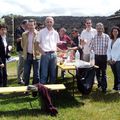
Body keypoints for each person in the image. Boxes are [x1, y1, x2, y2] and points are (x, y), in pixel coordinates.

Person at [36, 16, 60, 84]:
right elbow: (36, 44)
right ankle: (43, 91)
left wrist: (58, 51)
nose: (49, 23)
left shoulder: (55, 33)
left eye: (51, 22)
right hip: (45, 54)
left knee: (53, 73)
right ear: (45, 23)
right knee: (44, 73)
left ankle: (51, 91)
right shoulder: (41, 32)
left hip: (53, 55)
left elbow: (56, 44)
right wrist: (42, 52)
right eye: (48, 22)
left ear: (53, 23)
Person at [89, 22, 110, 93]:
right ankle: (99, 85)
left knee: (103, 72)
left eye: (100, 28)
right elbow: (91, 47)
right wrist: (92, 51)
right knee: (97, 72)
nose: (99, 30)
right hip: (96, 57)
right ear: (96, 29)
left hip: (104, 57)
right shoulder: (94, 37)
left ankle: (104, 88)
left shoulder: (106, 37)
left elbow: (109, 48)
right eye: (98, 28)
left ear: (103, 29)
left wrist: (108, 57)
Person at [21, 19, 41, 85]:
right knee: (26, 73)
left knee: (36, 74)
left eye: (32, 25)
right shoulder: (24, 34)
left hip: (36, 56)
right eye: (29, 25)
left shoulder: (39, 34)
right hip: (27, 55)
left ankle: (34, 89)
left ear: (35, 25)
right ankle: (26, 87)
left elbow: (41, 45)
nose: (30, 27)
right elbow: (22, 45)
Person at [14, 19, 28, 84]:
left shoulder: (26, 30)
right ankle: (19, 80)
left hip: (26, 50)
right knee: (21, 65)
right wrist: (26, 37)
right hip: (21, 50)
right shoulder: (18, 30)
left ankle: (24, 78)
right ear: (24, 24)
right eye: (27, 24)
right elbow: (17, 40)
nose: (28, 26)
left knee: (25, 65)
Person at [107, 26, 120, 91]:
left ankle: (118, 88)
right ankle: (115, 87)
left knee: (118, 74)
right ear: (111, 32)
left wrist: (114, 59)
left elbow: (119, 51)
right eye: (113, 31)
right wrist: (109, 59)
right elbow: (108, 50)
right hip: (111, 60)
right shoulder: (110, 40)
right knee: (115, 74)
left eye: (116, 31)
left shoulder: (119, 40)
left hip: (118, 60)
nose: (115, 32)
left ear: (118, 32)